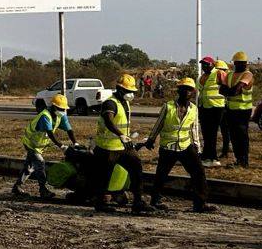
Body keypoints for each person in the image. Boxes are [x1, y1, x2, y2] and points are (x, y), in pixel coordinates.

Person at [145, 77, 219, 213]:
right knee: (161, 174)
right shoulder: (168, 106)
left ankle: (200, 203)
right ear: (179, 91)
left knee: (198, 172)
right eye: (184, 89)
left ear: (193, 92)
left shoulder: (194, 109)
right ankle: (155, 200)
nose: (187, 92)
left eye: (190, 89)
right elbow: (159, 124)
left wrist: (197, 147)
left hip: (185, 146)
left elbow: (194, 128)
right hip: (168, 147)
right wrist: (151, 139)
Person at [91, 73, 148, 214]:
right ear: (119, 89)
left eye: (132, 92)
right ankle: (100, 204)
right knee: (104, 177)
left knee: (136, 168)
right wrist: (121, 135)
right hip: (107, 147)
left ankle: (138, 202)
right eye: (128, 91)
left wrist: (126, 137)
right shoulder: (110, 103)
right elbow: (109, 121)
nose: (130, 94)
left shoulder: (125, 102)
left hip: (123, 146)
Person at [13, 93, 78, 200]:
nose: (62, 111)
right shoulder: (45, 116)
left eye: (63, 109)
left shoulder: (61, 116)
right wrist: (62, 146)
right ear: (53, 106)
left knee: (29, 167)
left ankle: (17, 186)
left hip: (39, 146)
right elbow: (50, 133)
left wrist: (75, 143)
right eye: (60, 108)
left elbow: (69, 130)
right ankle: (43, 190)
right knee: (40, 164)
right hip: (31, 144)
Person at [221, 52, 256, 167]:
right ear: (235, 63)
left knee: (242, 136)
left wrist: (231, 91)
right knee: (234, 136)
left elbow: (235, 90)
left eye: (243, 63)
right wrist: (232, 91)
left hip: (243, 110)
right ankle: (238, 159)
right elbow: (222, 90)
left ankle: (244, 160)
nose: (241, 65)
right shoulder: (230, 75)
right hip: (230, 109)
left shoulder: (247, 75)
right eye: (239, 63)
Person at [197, 56, 227, 164]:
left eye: (206, 64)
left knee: (212, 133)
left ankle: (213, 157)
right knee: (206, 133)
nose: (204, 66)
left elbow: (226, 86)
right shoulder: (201, 77)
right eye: (203, 64)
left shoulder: (218, 73)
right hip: (204, 107)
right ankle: (206, 155)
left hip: (216, 107)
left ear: (212, 64)